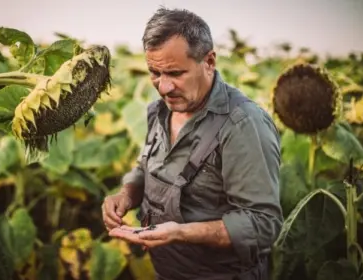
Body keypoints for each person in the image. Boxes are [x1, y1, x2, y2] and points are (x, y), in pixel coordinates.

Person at [101, 7, 283, 280]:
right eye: (154, 73)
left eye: (175, 73)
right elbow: (147, 166)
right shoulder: (158, 111)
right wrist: (126, 194)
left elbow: (263, 224)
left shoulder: (243, 124)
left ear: (209, 61)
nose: (163, 87)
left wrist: (181, 233)